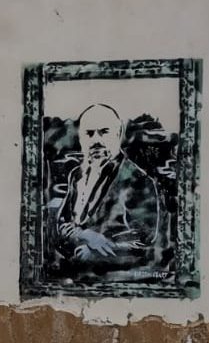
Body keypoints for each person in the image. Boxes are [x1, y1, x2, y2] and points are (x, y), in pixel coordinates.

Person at [49, 103, 164, 277]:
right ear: (81, 139)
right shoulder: (76, 175)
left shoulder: (138, 181)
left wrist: (94, 254)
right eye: (89, 134)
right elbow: (62, 224)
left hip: (114, 282)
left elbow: (144, 243)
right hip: (71, 277)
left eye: (104, 132)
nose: (96, 140)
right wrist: (82, 235)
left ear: (119, 134)